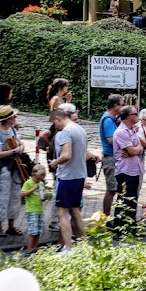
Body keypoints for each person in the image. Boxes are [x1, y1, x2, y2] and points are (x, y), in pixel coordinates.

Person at [48, 107, 94, 253]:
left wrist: (54, 162)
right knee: (75, 211)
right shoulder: (80, 129)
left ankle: (68, 248)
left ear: (58, 119)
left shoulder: (66, 132)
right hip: (80, 175)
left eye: (55, 124)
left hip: (67, 177)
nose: (56, 127)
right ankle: (85, 245)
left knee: (62, 213)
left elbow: (66, 155)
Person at [110, 105, 145, 233]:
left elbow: (140, 147)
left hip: (133, 169)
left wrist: (137, 149)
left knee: (132, 200)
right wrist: (136, 149)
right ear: (130, 117)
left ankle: (131, 226)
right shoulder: (121, 132)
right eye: (136, 113)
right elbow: (133, 150)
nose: (138, 116)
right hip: (125, 171)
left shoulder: (131, 131)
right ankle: (119, 228)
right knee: (124, 200)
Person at [0, 105, 24, 238]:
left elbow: (19, 143)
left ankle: (11, 225)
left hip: (15, 168)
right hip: (4, 169)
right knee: (3, 197)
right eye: (13, 116)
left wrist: (20, 147)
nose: (15, 118)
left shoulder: (12, 130)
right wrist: (15, 151)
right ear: (7, 119)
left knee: (15, 196)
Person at [98, 94, 123, 215]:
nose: (123, 107)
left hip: (113, 157)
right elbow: (111, 140)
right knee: (111, 189)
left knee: (115, 188)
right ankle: (106, 217)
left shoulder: (111, 119)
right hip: (110, 157)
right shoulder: (108, 120)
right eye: (121, 104)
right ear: (115, 106)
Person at [20, 164, 50, 254]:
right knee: (32, 231)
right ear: (33, 175)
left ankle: (34, 248)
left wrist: (45, 196)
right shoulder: (28, 183)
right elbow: (22, 194)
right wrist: (32, 189)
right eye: (38, 178)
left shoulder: (40, 183)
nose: (39, 180)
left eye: (41, 179)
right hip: (32, 210)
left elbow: (42, 193)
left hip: (40, 210)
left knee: (38, 231)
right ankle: (29, 250)